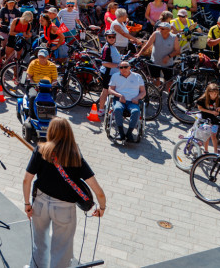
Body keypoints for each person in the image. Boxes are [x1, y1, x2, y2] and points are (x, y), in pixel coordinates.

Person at [23, 118, 106, 268]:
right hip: (64, 208)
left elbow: (26, 180)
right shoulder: (75, 157)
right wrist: (102, 207)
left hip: (40, 203)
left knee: (39, 243)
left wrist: (27, 204)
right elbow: (97, 189)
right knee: (61, 250)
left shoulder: (41, 150)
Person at [108, 60, 145, 142]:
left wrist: (137, 98)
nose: (123, 69)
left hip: (133, 101)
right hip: (119, 100)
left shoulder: (137, 76)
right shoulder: (115, 76)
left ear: (130, 68)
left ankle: (129, 133)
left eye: (125, 67)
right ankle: (121, 133)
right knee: (117, 109)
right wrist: (119, 95)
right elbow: (110, 90)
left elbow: (143, 91)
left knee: (136, 111)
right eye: (121, 67)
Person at [194, 84, 220, 153]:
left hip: (215, 121)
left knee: (213, 136)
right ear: (209, 92)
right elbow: (200, 108)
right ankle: (206, 150)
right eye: (213, 93)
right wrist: (211, 112)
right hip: (205, 120)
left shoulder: (219, 99)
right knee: (206, 135)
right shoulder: (204, 99)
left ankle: (215, 151)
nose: (214, 95)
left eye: (216, 93)